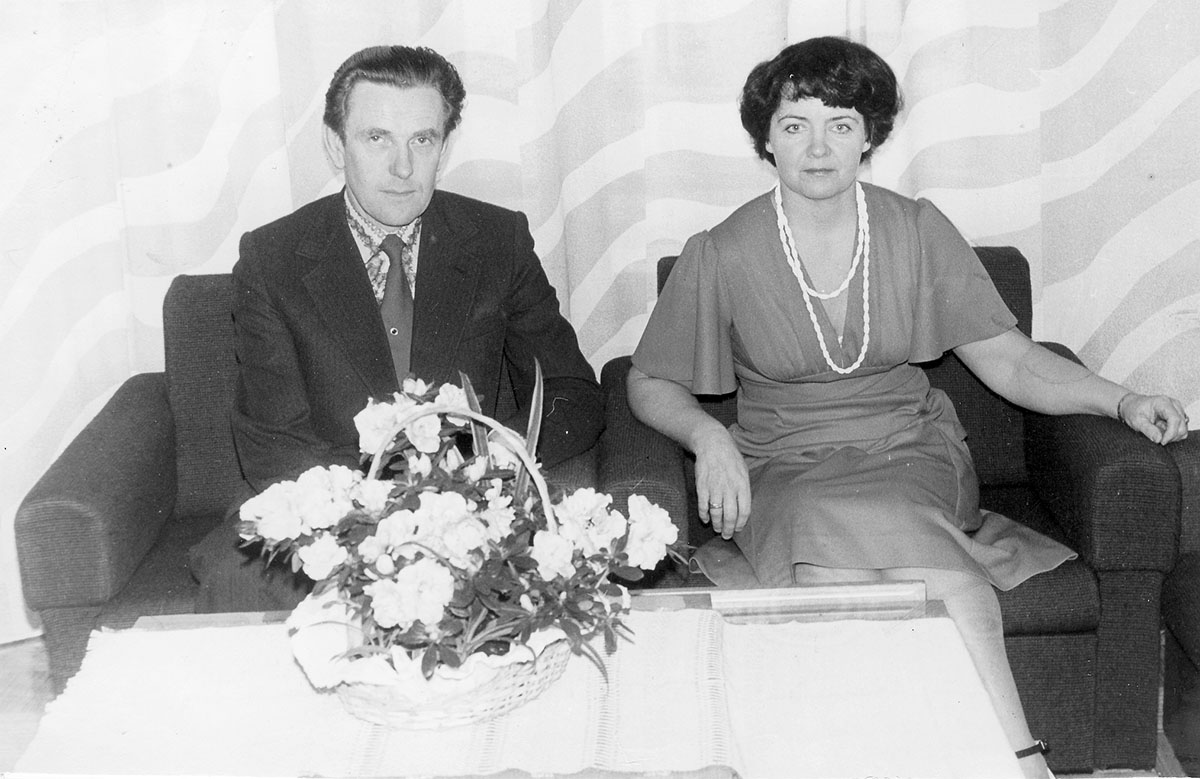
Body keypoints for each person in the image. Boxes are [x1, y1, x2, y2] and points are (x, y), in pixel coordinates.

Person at [626, 37, 1188, 779]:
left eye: (841, 124)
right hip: (785, 464)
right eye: (795, 125)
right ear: (767, 140)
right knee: (830, 558)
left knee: (887, 566)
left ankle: (1018, 760)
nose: (818, 147)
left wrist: (1122, 399)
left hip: (909, 451)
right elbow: (647, 379)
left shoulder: (917, 229)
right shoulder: (722, 251)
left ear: (869, 137)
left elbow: (1012, 360)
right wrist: (709, 436)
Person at [189, 45, 603, 612]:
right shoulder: (272, 258)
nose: (403, 168)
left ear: (444, 147)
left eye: (422, 140)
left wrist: (485, 474)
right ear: (336, 145)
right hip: (331, 514)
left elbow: (572, 393)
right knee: (237, 583)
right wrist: (383, 520)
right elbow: (274, 441)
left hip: (471, 509)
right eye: (377, 138)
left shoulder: (497, 241)